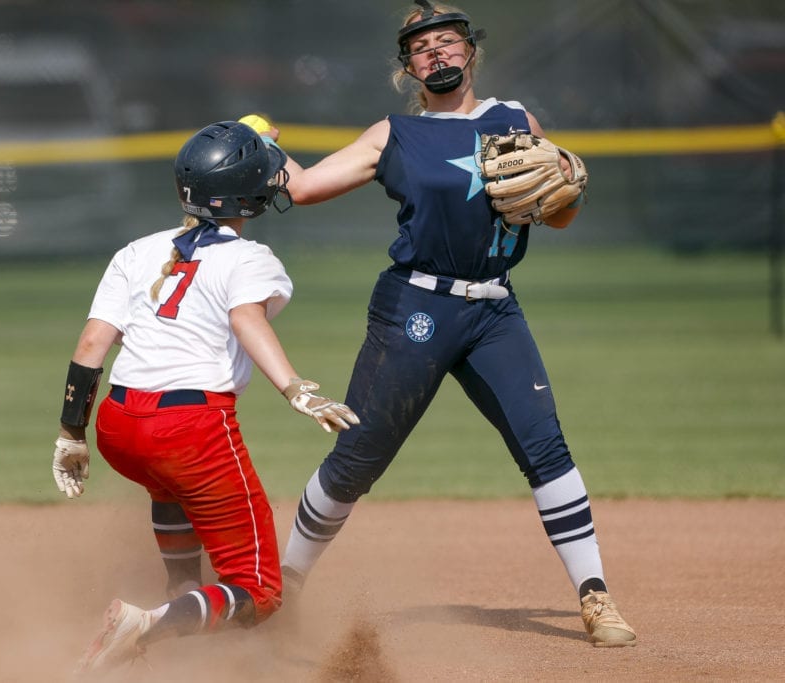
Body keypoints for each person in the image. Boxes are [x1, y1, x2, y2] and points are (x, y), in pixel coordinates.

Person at [269, 2, 637, 647]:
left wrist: (568, 188)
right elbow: (302, 188)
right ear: (407, 67)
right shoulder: (395, 135)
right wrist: (260, 148)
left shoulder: (514, 119)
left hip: (495, 308)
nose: (436, 53)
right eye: (421, 47)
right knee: (357, 458)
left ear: (471, 51)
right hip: (415, 306)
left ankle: (595, 596)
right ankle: (282, 588)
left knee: (544, 444)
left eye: (448, 41)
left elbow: (559, 217)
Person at [50, 120, 360, 674]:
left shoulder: (136, 251)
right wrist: (295, 389)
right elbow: (247, 320)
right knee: (260, 590)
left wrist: (71, 433)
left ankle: (183, 603)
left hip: (118, 424)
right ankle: (148, 625)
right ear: (254, 194)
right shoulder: (250, 257)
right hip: (190, 426)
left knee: (169, 485)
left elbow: (93, 344)